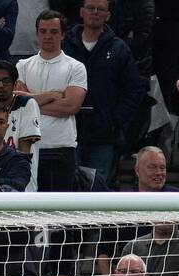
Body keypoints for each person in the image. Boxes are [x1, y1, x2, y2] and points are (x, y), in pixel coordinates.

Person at [62, 0, 145, 190]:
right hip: (67, 130)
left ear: (108, 15)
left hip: (104, 134)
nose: (95, 12)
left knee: (98, 189)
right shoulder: (65, 45)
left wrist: (115, 119)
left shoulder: (119, 48)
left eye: (100, 9)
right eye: (90, 8)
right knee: (67, 188)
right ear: (81, 12)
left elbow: (135, 89)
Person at [15, 10, 87, 191]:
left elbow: (71, 105)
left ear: (62, 34)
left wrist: (31, 100)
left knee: (56, 211)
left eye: (54, 31)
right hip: (26, 146)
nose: (48, 36)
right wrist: (53, 95)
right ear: (37, 33)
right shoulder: (22, 65)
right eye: (43, 31)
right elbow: (16, 101)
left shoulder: (76, 67)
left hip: (60, 146)